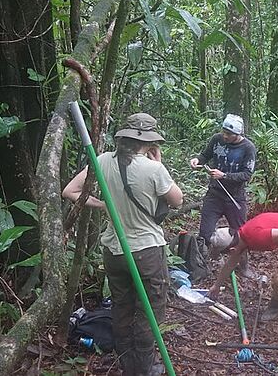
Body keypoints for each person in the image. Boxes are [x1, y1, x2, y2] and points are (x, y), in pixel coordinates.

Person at [63, 113, 183, 376]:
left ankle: (128, 364)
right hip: (147, 251)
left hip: (114, 250)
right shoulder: (153, 169)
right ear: (150, 142)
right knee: (150, 311)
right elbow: (177, 200)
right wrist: (160, 164)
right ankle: (143, 368)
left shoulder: (103, 160)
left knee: (122, 307)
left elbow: (69, 191)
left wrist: (104, 204)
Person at [207, 212, 278, 322]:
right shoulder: (242, 235)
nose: (229, 256)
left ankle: (275, 307)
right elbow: (230, 264)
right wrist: (216, 286)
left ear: (232, 249)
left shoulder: (256, 236)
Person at [189, 114, 256, 276]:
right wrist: (197, 160)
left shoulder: (248, 148)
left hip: (235, 196)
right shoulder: (216, 139)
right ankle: (200, 267)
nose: (225, 136)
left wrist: (224, 175)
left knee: (241, 233)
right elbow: (205, 155)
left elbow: (247, 174)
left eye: (229, 134)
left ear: (238, 134)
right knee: (205, 233)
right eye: (224, 132)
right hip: (214, 194)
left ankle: (244, 267)